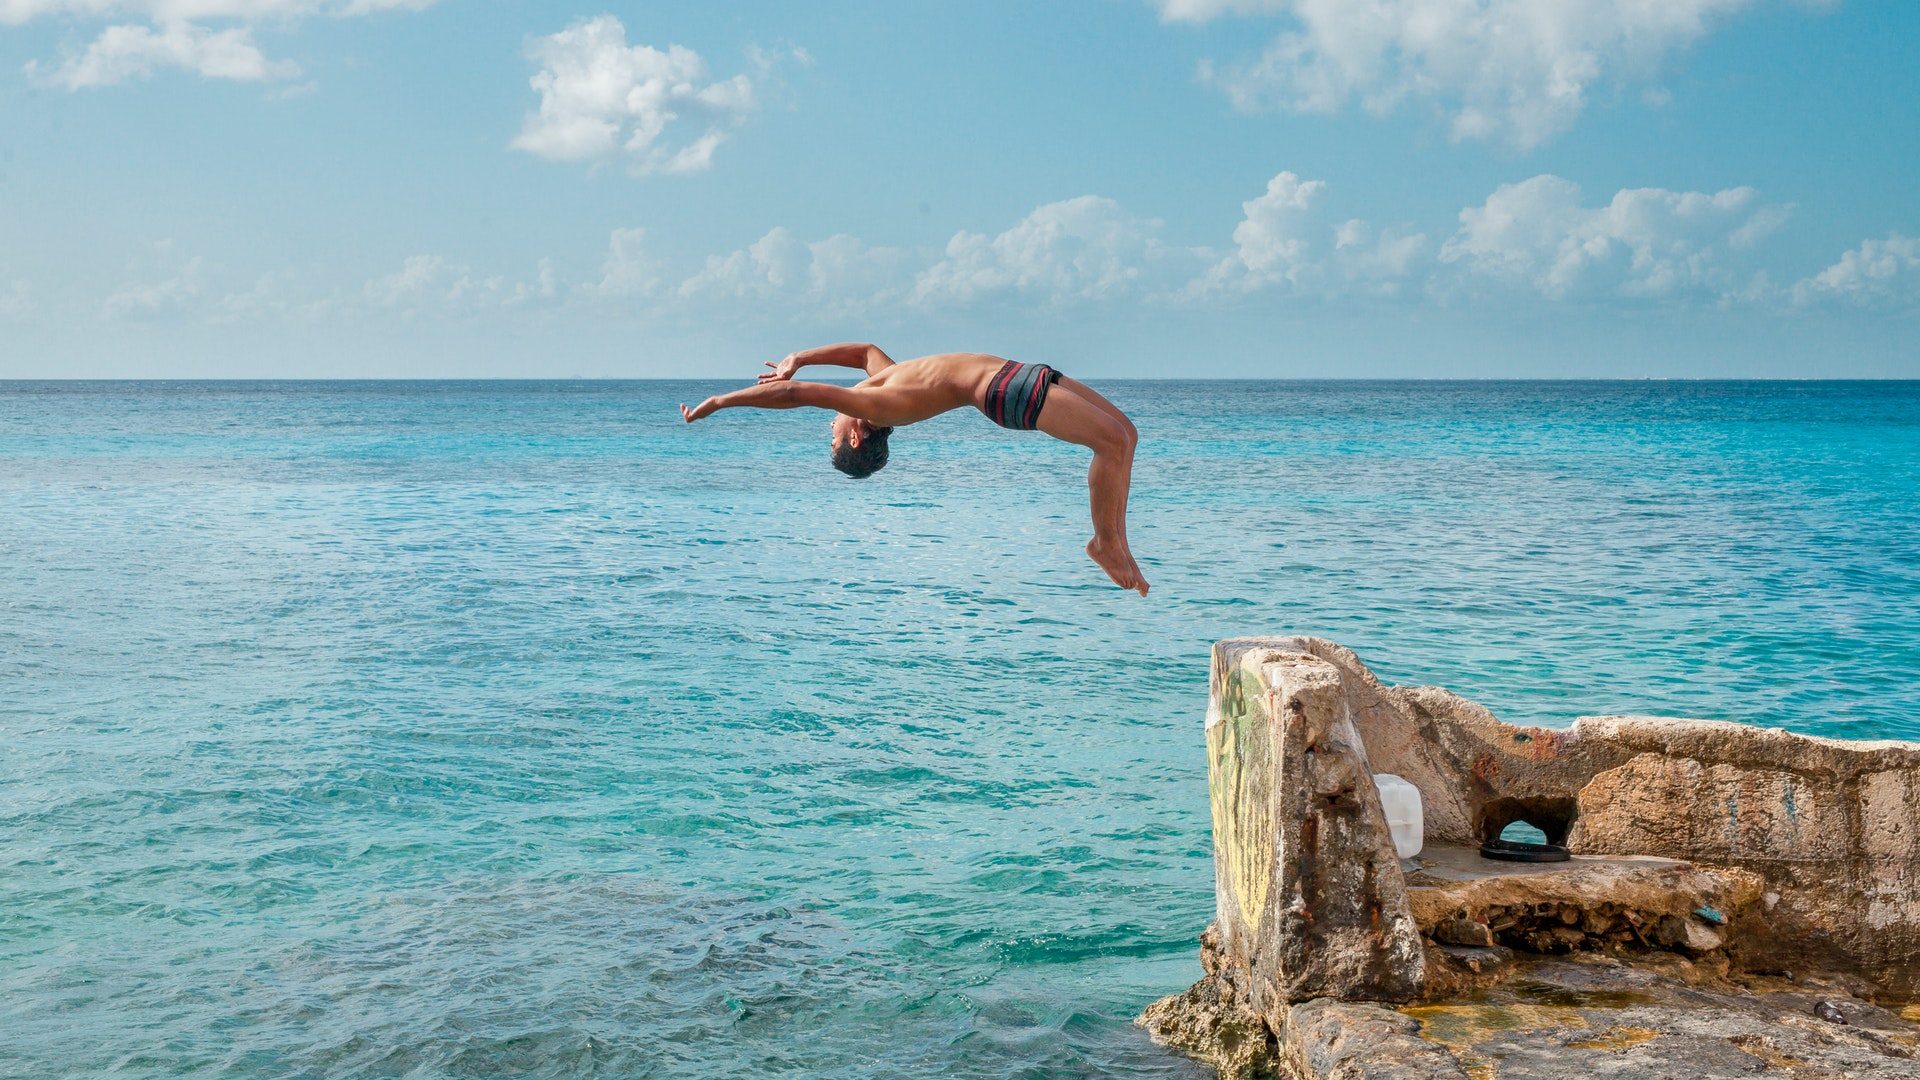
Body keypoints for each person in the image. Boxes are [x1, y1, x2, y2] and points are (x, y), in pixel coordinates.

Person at [680, 343, 1148, 596]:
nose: (831, 425)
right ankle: (1104, 543)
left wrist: (800, 356)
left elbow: (864, 351)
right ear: (857, 436)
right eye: (833, 436)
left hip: (1016, 372)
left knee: (1125, 436)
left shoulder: (882, 380)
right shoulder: (875, 403)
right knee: (1108, 445)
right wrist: (721, 402)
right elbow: (794, 395)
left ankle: (1118, 544)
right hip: (1000, 391)